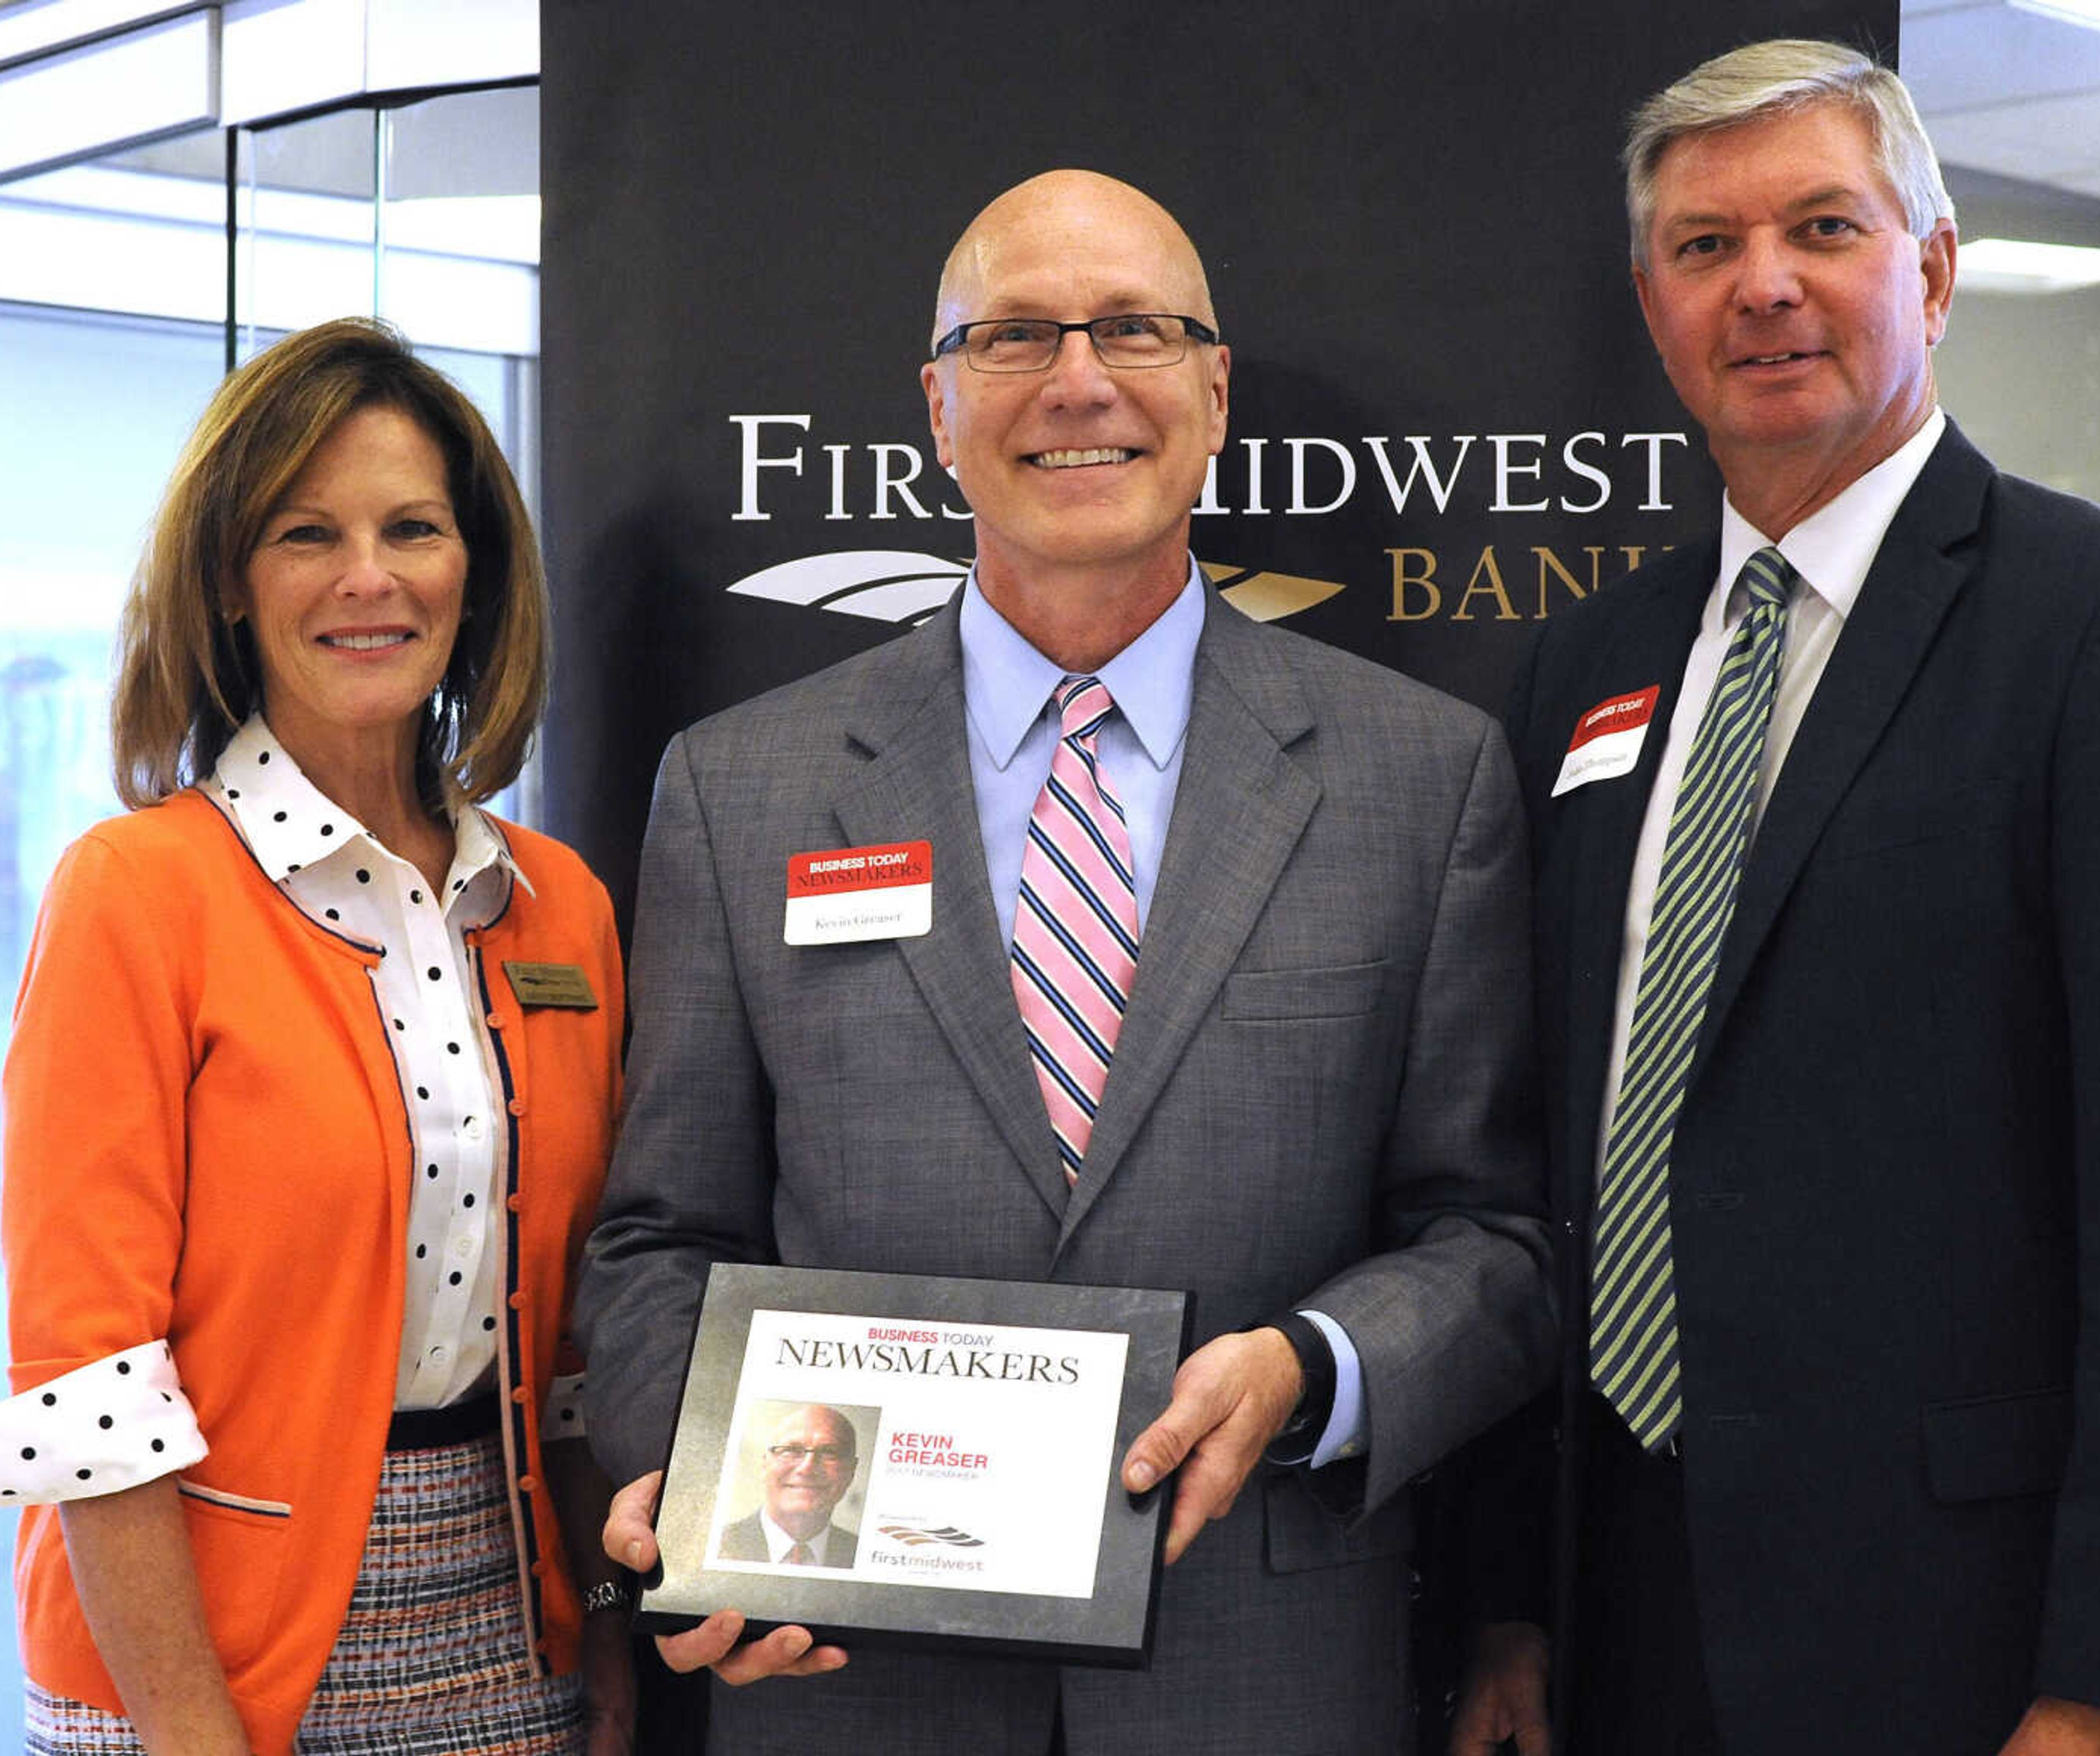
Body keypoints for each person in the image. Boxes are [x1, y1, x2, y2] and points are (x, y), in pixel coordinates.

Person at [576, 168, 1553, 1755]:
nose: (1079, 380)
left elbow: (1492, 1238)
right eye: (1016, 335)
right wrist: (688, 1491)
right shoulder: (737, 784)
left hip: (1261, 1672)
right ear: (940, 406)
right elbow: (659, 1235)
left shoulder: (1418, 777)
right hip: (849, 1672)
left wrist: (1311, 1366)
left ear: (1214, 391)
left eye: (1138, 332)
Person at [1451, 38, 2100, 1756]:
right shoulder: (1585, 669)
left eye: (1823, 229)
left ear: (1930, 269)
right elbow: (1536, 1166)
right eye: (1706, 248)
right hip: (1632, 1621)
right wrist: (1512, 1604)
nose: (1763, 285)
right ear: (1653, 305)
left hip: (1989, 1648)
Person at [0, 319, 634, 1755]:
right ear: (233, 585)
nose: (366, 576)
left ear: (475, 571)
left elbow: (574, 1345)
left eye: (413, 528)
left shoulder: (555, 901)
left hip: (514, 1623)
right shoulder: (136, 892)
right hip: (194, 1645)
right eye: (306, 532)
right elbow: (86, 1386)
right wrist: (194, 1731)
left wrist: (610, 1638)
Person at [716, 1405, 861, 1567]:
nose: (807, 1468)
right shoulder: (717, 1545)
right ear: (765, 1464)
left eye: (830, 1452)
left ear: (851, 1471)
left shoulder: (861, 1555)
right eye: (791, 1450)